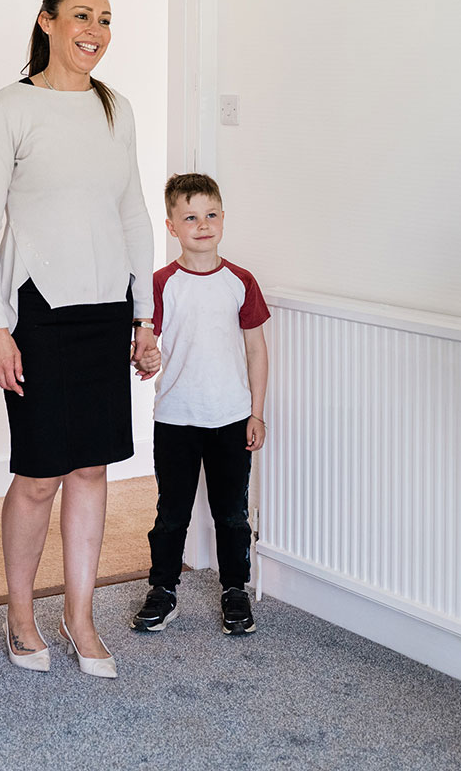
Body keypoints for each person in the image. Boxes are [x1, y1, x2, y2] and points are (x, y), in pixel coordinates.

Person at [0, 0, 160, 678]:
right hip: (36, 311)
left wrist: (144, 314)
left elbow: (134, 214)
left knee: (91, 467)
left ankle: (80, 615)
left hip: (105, 311)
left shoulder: (116, 109)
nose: (95, 30)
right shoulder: (10, 109)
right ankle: (21, 612)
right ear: (48, 22)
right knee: (37, 475)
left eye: (107, 19)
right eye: (82, 16)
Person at [130, 172, 269, 637]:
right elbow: (148, 347)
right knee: (172, 513)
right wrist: (146, 356)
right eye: (190, 217)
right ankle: (163, 590)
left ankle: (235, 591)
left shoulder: (241, 281)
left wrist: (257, 411)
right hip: (176, 419)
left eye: (211, 215)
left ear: (223, 219)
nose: (202, 225)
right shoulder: (161, 284)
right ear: (172, 227)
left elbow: (256, 350)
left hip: (231, 418)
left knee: (232, 514)